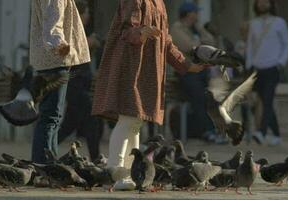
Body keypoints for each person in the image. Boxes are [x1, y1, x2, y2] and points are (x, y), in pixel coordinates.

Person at [92, 0, 206, 190]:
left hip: (148, 71)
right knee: (128, 119)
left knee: (136, 122)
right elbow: (127, 31)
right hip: (130, 67)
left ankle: (130, 173)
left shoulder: (159, 3)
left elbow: (165, 41)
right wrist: (142, 32)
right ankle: (114, 172)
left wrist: (187, 65)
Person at [30, 0, 90, 163]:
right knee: (51, 116)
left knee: (52, 116)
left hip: (52, 59)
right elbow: (52, 21)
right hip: (55, 59)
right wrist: (60, 44)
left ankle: (48, 164)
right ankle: (43, 165)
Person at [57, 0, 102, 161]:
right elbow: (66, 52)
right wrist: (87, 44)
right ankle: (96, 157)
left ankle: (46, 148)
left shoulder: (81, 31)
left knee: (69, 124)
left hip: (81, 83)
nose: (88, 16)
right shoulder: (70, 31)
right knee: (92, 121)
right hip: (74, 84)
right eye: (86, 13)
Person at [170, 2, 219, 143]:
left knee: (210, 97)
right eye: (195, 12)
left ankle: (212, 130)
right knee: (199, 97)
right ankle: (207, 131)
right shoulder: (177, 28)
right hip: (186, 72)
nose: (197, 15)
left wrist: (199, 35)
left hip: (201, 71)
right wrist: (201, 45)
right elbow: (189, 47)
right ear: (188, 13)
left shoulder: (196, 29)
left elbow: (211, 42)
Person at [246, 0, 288, 146]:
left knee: (267, 100)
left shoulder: (279, 22)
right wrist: (249, 66)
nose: (262, 4)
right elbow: (250, 46)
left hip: (273, 68)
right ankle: (277, 135)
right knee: (263, 102)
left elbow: (287, 44)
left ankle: (262, 132)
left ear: (271, 4)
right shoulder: (253, 23)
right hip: (256, 68)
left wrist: (280, 63)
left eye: (266, 1)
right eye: (260, 1)